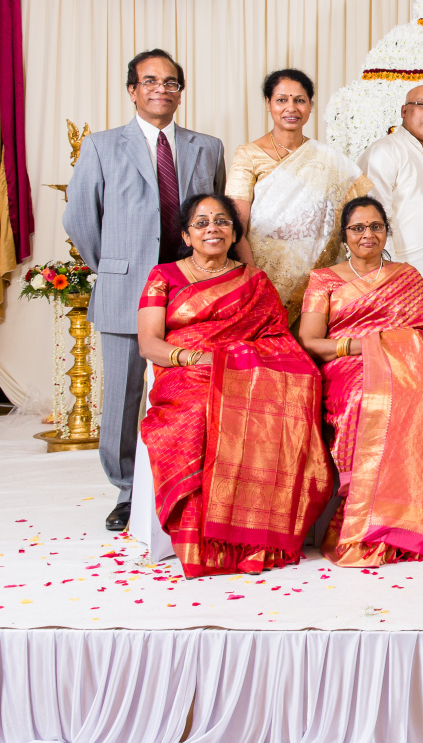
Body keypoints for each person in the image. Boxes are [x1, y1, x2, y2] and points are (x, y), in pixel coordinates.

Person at [64, 49, 226, 534]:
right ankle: (126, 490)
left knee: (194, 391)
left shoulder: (208, 147)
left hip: (192, 294)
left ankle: (191, 485)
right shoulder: (101, 147)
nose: (161, 89)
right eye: (150, 81)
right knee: (123, 396)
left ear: (181, 91)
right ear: (133, 90)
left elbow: (214, 217)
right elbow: (80, 218)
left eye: (171, 82)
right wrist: (113, 267)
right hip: (126, 291)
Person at [135, 194, 331, 576]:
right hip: (185, 371)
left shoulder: (253, 280)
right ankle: (202, 538)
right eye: (201, 222)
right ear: (187, 236)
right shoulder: (164, 275)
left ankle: (253, 536)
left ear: (234, 232)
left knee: (282, 401)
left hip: (241, 370)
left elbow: (275, 336)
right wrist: (197, 358)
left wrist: (240, 361)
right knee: (197, 413)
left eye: (222, 221)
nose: (213, 228)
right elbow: (149, 343)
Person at [298, 196, 423, 566]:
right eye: (358, 228)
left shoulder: (406, 275)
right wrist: (361, 346)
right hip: (347, 363)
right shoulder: (324, 279)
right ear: (344, 236)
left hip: (406, 362)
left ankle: (417, 515)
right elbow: (310, 341)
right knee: (363, 400)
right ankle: (367, 515)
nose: (367, 234)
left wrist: (393, 347)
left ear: (386, 231)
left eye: (375, 226)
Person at [228, 68, 372, 320]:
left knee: (311, 340)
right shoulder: (248, 155)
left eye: (299, 100)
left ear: (310, 105)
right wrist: (253, 278)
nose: (291, 108)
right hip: (259, 273)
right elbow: (236, 226)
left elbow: (351, 221)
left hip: (316, 279)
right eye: (281, 100)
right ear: (268, 104)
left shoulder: (331, 161)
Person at [356, 84, 423, 324]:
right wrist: (387, 278)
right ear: (404, 111)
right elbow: (370, 221)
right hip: (400, 283)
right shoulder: (385, 151)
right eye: (422, 104)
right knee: (406, 343)